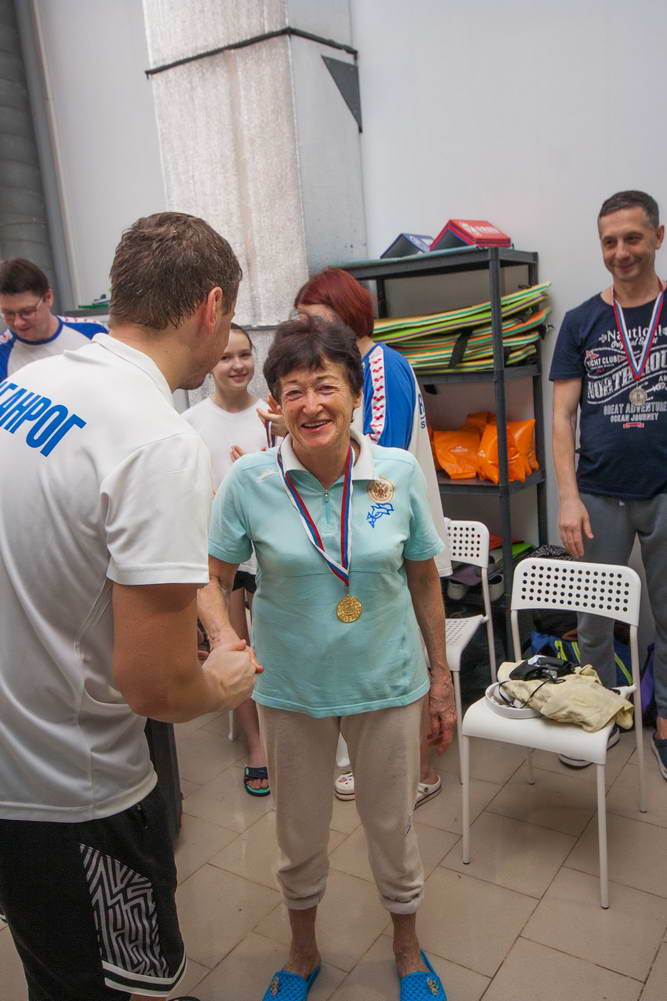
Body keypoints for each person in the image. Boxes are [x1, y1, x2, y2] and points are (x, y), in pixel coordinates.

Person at [0, 211, 259, 1001]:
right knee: (118, 988)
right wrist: (222, 683)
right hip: (76, 792)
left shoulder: (30, 384)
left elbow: (115, 557)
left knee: (53, 974)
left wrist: (214, 620)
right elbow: (154, 687)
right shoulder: (159, 440)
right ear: (211, 307)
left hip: (12, 766)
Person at [199, 315, 456, 1001]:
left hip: (387, 683)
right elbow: (209, 576)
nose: (310, 404)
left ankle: (407, 949)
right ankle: (302, 951)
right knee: (298, 833)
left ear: (352, 394)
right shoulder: (250, 480)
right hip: (291, 691)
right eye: (293, 391)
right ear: (276, 404)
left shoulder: (396, 472)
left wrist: (440, 678)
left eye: (325, 386)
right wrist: (222, 639)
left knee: (393, 828)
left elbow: (424, 578)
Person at [282, 266, 452, 807]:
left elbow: (381, 456)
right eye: (300, 320)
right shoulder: (353, 367)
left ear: (347, 315)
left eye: (316, 319)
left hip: (387, 523)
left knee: (404, 644)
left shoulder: (381, 364)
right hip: (368, 525)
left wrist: (298, 431)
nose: (307, 331)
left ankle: (419, 770)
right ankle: (378, 757)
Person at [550, 189, 667, 778]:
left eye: (633, 238)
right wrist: (568, 498)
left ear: (658, 237)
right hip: (598, 495)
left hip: (665, 492)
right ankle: (596, 713)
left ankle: (665, 720)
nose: (621, 252)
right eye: (610, 241)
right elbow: (561, 417)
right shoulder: (581, 321)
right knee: (593, 618)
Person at [183, 323, 271, 795]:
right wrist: (218, 498)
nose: (237, 365)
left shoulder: (272, 416)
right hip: (224, 556)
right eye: (226, 356)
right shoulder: (191, 423)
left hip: (272, 552)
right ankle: (257, 748)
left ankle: (292, 733)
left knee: (279, 645)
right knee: (235, 646)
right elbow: (183, 492)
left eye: (245, 355)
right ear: (210, 361)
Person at [0, 257, 107, 379]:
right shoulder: (2, 352)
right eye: (8, 313)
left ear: (48, 298)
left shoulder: (93, 332)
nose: (18, 322)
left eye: (27, 312)